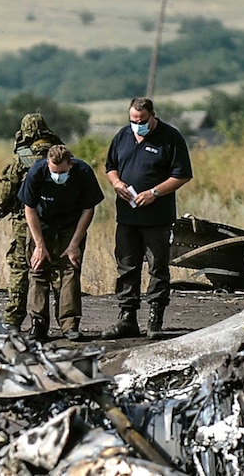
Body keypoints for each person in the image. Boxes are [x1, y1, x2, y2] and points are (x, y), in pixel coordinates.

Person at [101, 97, 192, 340]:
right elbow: (110, 166)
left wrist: (154, 193)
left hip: (157, 218)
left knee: (157, 268)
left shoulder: (170, 137)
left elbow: (182, 175)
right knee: (126, 267)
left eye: (141, 121)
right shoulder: (122, 136)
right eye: (133, 120)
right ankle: (127, 318)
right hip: (127, 215)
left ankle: (155, 320)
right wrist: (117, 182)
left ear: (153, 116)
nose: (137, 125)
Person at [17, 145, 104, 342]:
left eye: (62, 172)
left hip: (71, 223)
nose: (57, 175)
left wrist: (74, 244)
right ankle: (38, 324)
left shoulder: (83, 172)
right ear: (48, 163)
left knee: (70, 268)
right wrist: (39, 245)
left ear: (70, 165)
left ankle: (70, 324)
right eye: (54, 171)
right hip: (42, 222)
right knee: (38, 268)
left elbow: (88, 209)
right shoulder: (36, 172)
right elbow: (29, 209)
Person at [0, 113, 64, 333]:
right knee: (57, 272)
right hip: (57, 222)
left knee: (20, 268)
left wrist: (2, 208)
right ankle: (65, 321)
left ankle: (13, 320)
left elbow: (5, 195)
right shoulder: (60, 153)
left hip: (25, 223)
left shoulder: (21, 158)